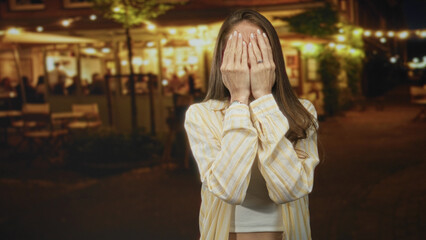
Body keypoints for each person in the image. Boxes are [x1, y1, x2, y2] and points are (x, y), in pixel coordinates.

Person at [184, 9, 320, 240]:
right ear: (222, 60)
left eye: (258, 48)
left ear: (273, 57)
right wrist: (238, 100)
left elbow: (291, 189)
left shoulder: (302, 111)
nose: (248, 59)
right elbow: (227, 189)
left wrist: (264, 99)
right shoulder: (202, 114)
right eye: (237, 51)